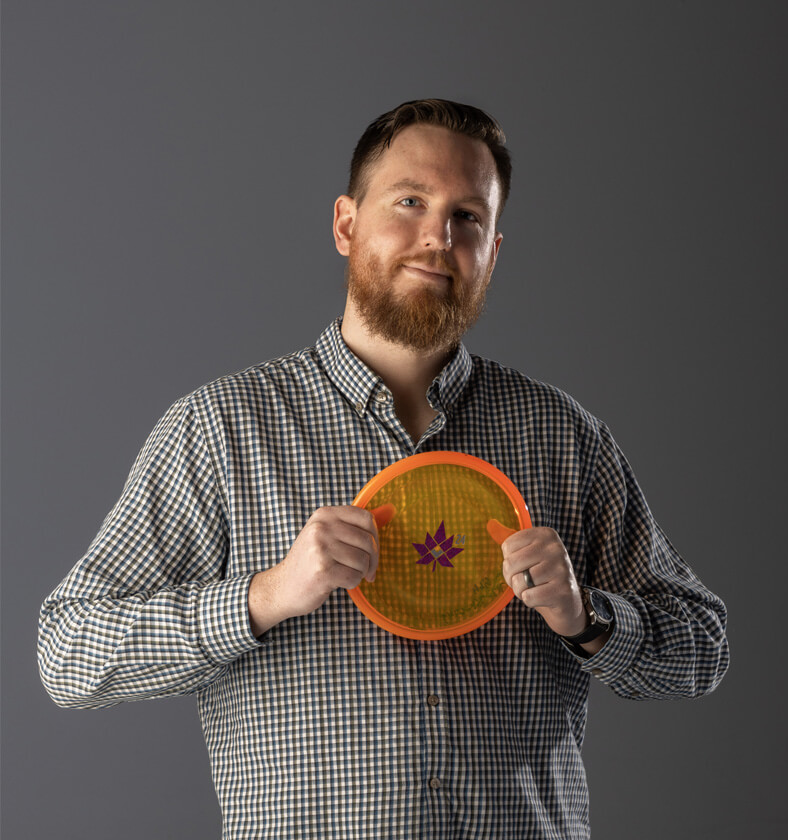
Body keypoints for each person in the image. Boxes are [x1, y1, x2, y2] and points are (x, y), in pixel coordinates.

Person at [38, 99, 729, 839]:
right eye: (411, 202)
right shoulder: (221, 430)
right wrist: (265, 596)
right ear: (346, 224)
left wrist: (585, 616)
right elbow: (69, 653)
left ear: (493, 250)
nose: (438, 237)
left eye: (469, 216)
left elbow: (703, 649)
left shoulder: (562, 435)